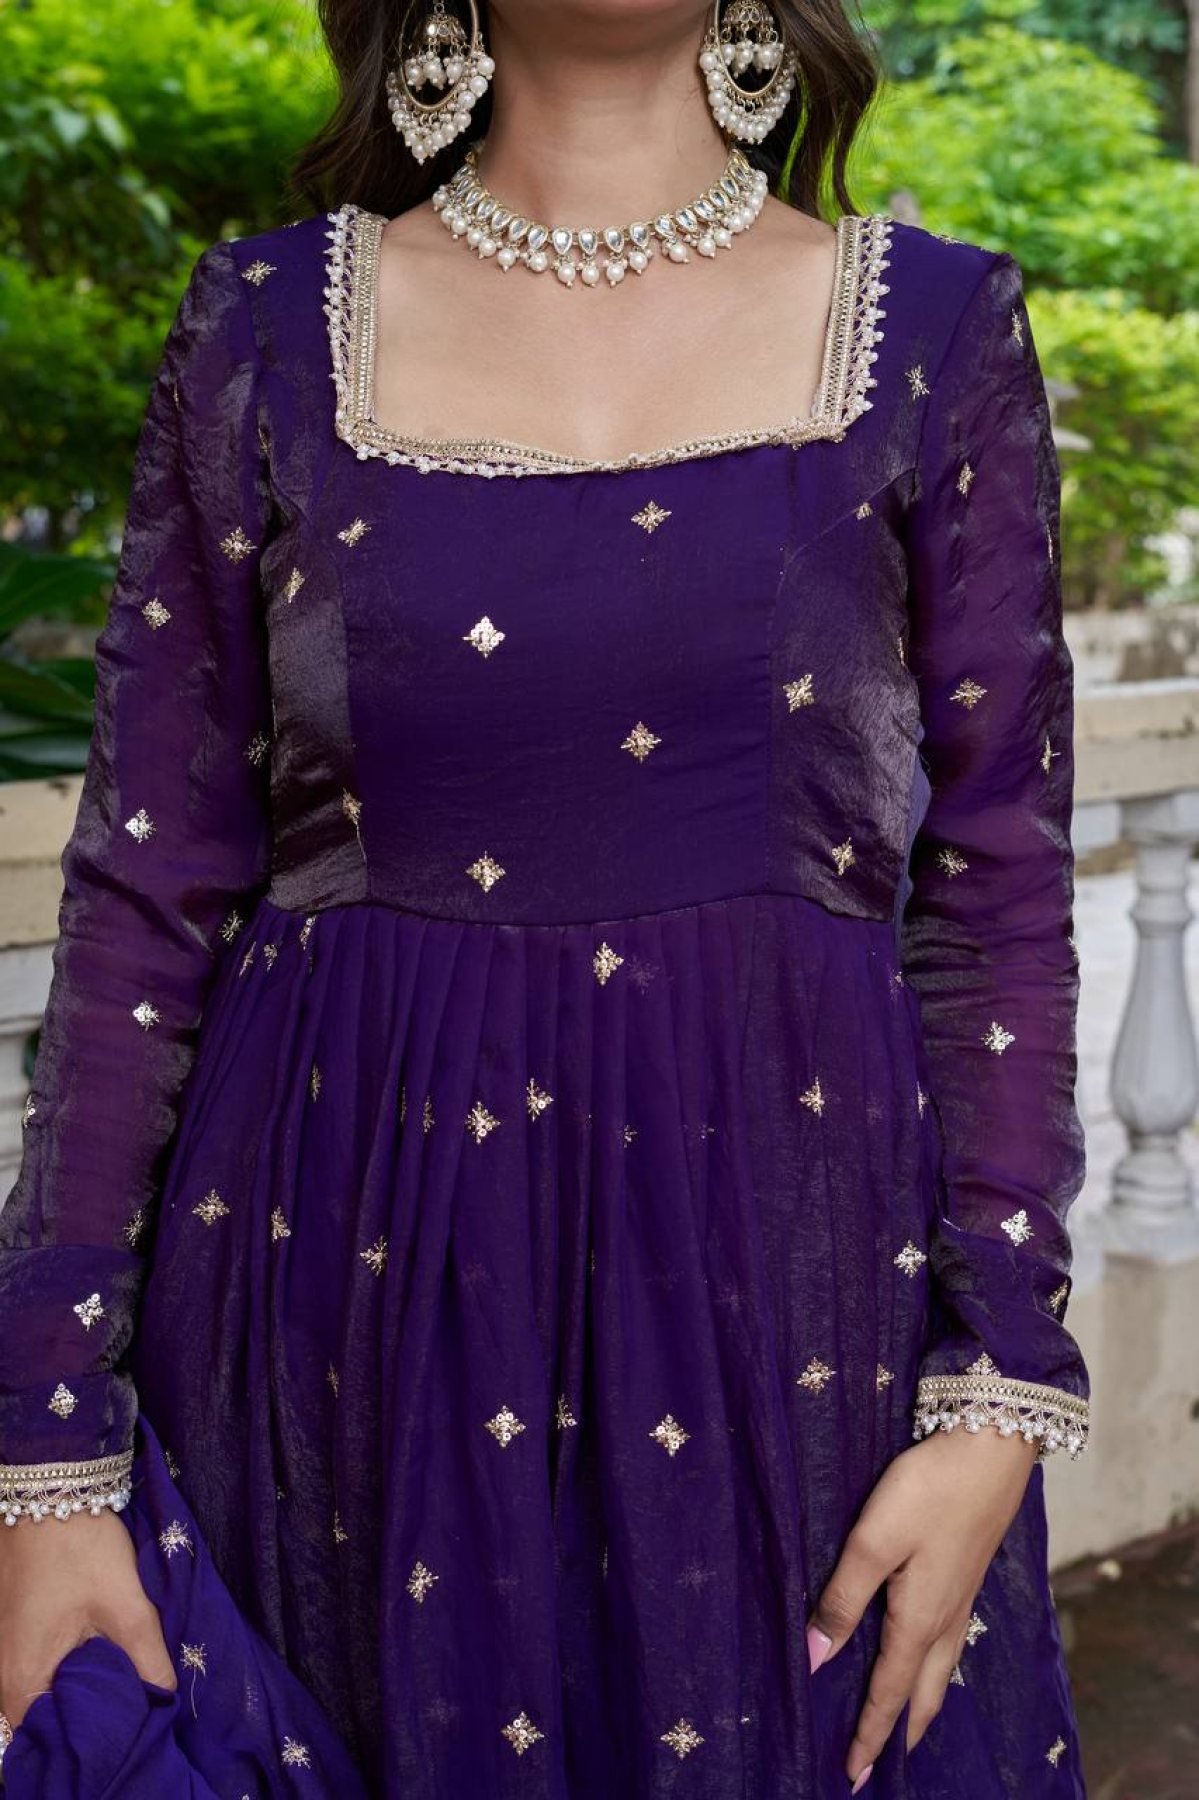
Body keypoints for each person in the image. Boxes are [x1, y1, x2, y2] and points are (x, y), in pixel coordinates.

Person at [0, 1, 1091, 1794]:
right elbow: (144, 895)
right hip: (339, 1308)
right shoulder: (265, 326)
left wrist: (1000, 1393)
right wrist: (47, 1452)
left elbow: (1000, 887)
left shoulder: (934, 329)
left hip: (792, 1323)